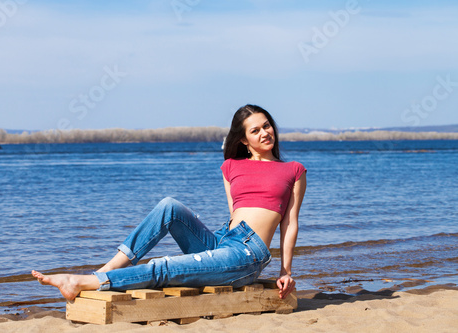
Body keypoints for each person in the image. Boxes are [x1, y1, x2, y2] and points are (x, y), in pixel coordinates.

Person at [32, 104, 306, 301]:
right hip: (225, 240)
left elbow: (289, 224)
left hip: (248, 255)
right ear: (244, 140)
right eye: (255, 130)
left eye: (267, 126)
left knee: (165, 265)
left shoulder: (293, 170)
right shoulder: (231, 167)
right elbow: (235, 213)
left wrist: (286, 271)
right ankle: (105, 270)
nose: (264, 133)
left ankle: (82, 282)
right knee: (169, 206)